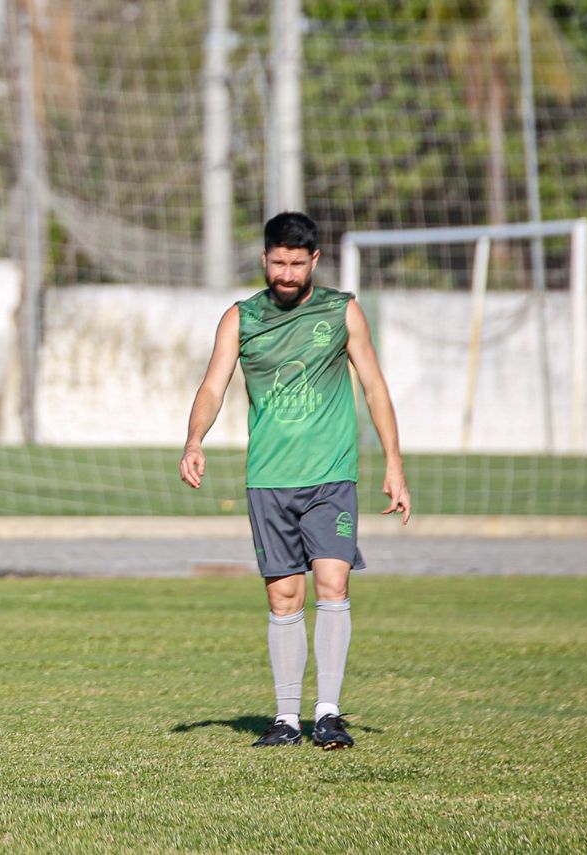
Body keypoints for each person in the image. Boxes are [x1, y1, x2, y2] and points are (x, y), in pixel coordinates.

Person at [179, 211, 410, 750]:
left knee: (333, 583)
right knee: (284, 597)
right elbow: (213, 386)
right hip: (269, 480)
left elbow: (374, 387)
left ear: (314, 262)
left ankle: (328, 713)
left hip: (331, 478)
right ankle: (285, 719)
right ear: (264, 259)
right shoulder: (241, 318)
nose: (286, 273)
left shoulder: (342, 311)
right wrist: (194, 440)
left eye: (296, 263)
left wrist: (394, 466)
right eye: (277, 262)